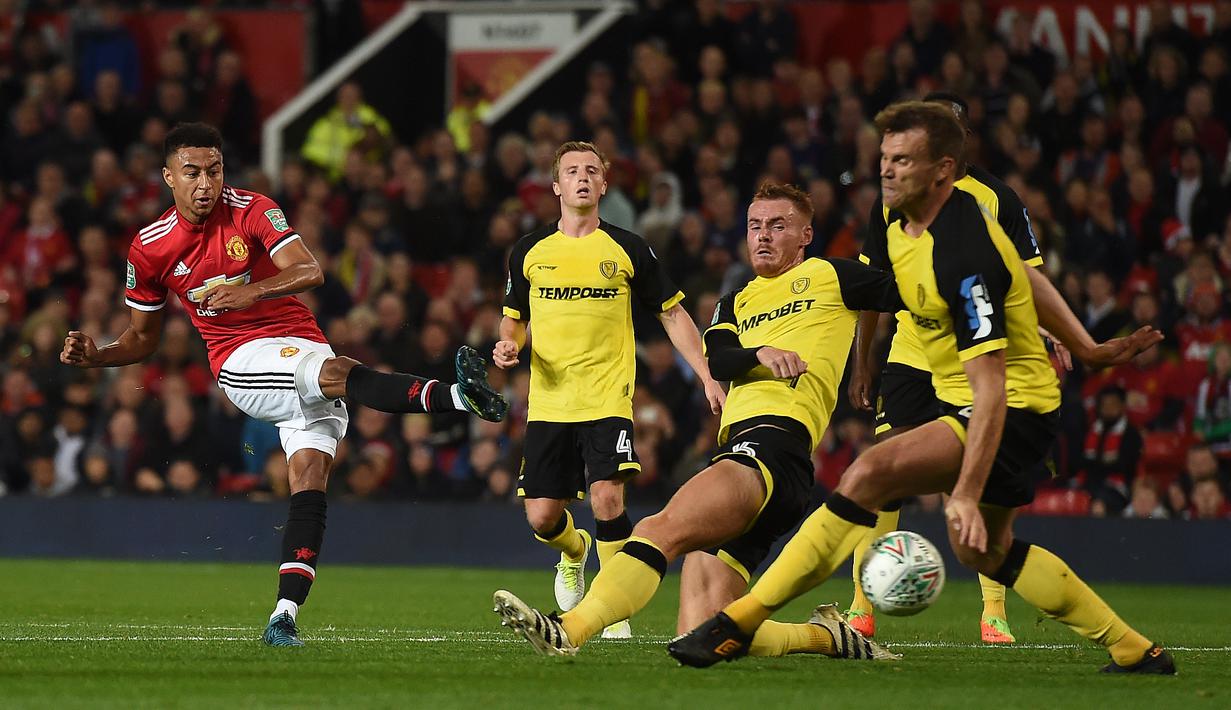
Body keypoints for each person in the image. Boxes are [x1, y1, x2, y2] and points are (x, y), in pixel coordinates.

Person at [668, 101, 1174, 676]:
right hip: (985, 399)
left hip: (1012, 404)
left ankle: (736, 624)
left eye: (903, 160)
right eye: (884, 158)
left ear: (943, 170)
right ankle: (1134, 649)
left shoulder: (963, 251)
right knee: (986, 551)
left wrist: (964, 490)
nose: (887, 171)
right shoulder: (906, 228)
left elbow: (991, 389)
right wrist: (1084, 345)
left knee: (870, 473)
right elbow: (1026, 275)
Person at [61, 122, 508, 648]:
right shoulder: (150, 248)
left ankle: (283, 616)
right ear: (168, 178)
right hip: (241, 362)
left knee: (310, 477)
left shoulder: (252, 207)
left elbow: (309, 269)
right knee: (337, 373)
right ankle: (458, 395)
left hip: (301, 342)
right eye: (192, 172)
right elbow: (142, 339)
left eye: (214, 169)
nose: (206, 182)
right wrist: (99, 357)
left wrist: (246, 290)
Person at [490, 182, 907, 660]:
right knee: (702, 633)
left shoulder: (833, 276)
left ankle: (569, 629)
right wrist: (762, 354)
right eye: (755, 226)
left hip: (773, 446)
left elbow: (904, 292)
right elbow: (721, 357)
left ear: (806, 234)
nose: (763, 236)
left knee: (655, 530)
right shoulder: (736, 300)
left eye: (778, 226)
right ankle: (828, 637)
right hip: (752, 457)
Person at [846, 91, 1070, 643]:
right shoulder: (893, 199)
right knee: (886, 470)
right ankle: (861, 606)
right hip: (909, 352)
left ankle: (993, 609)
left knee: (973, 474)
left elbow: (1026, 278)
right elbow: (874, 284)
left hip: (972, 354)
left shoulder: (996, 198)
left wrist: (1048, 332)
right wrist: (862, 361)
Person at [493, 140, 724, 640]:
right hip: (549, 402)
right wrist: (508, 347)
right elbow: (513, 323)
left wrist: (707, 375)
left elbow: (672, 314)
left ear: (603, 184)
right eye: (571, 170)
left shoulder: (628, 248)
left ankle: (611, 606)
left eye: (591, 170)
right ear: (555, 186)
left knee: (607, 500)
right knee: (541, 517)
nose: (581, 177)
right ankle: (574, 553)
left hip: (607, 396)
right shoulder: (529, 252)